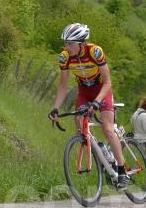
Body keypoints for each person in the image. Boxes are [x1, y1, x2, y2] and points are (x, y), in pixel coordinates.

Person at [49, 23, 129, 189]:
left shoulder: (95, 52)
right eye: (65, 43)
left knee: (107, 129)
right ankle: (101, 152)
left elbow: (108, 82)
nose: (66, 47)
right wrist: (55, 108)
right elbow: (63, 86)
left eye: (70, 43)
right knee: (79, 124)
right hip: (84, 93)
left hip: (102, 91)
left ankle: (122, 170)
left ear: (81, 43)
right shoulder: (65, 57)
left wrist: (97, 102)